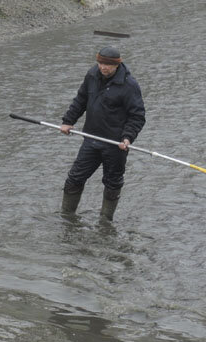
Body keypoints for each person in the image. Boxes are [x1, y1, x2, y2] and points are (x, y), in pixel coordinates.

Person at [59, 46, 146, 221]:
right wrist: (69, 121)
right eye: (100, 63)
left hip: (116, 144)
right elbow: (81, 99)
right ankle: (66, 217)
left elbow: (137, 116)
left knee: (112, 183)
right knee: (74, 178)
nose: (103, 67)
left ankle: (105, 222)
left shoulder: (129, 85)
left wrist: (127, 137)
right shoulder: (92, 75)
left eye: (107, 65)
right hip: (91, 139)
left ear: (116, 65)